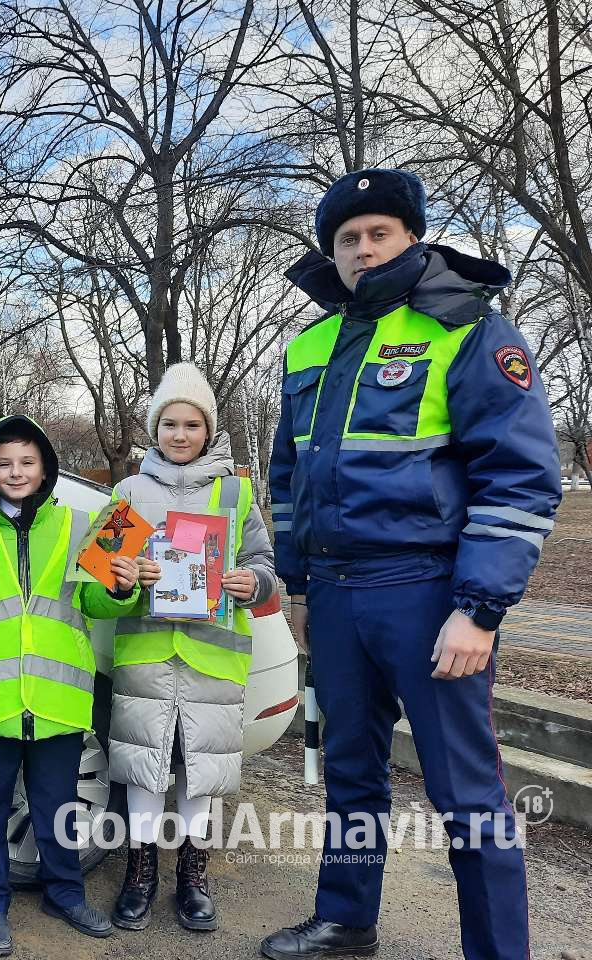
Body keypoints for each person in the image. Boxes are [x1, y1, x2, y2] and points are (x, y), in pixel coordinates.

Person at [261, 169, 562, 960]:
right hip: (334, 594)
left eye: (379, 233)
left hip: (428, 593)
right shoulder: (308, 345)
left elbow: (520, 477)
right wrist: (299, 581)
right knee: (351, 775)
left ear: (411, 236)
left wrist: (479, 608)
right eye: (348, 238)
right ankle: (345, 922)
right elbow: (288, 476)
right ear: (333, 250)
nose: (363, 249)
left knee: (467, 793)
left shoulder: (468, 329)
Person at [0, 415, 140, 958]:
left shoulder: (78, 527)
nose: (16, 472)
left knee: (57, 805)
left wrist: (123, 588)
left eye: (27, 462)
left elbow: (93, 603)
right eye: (4, 463)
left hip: (58, 698)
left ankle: (66, 892)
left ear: (45, 470)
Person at [105, 362, 275, 933]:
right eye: (169, 424)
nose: (180, 435)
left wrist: (254, 584)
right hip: (148, 655)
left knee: (201, 771)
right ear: (154, 430)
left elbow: (264, 564)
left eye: (191, 425)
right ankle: (139, 874)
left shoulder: (236, 491)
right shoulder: (128, 493)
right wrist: (128, 576)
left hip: (212, 658)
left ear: (208, 430)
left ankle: (194, 876)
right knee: (144, 769)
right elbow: (101, 575)